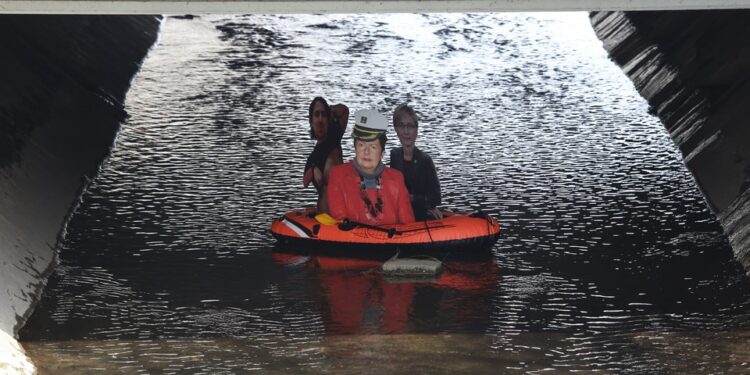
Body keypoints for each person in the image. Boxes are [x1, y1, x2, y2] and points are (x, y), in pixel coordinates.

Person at [327, 109, 415, 225]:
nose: (366, 152)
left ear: (382, 153)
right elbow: (340, 222)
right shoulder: (338, 175)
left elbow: (409, 225)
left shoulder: (397, 179)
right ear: (355, 148)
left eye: (373, 147)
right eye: (361, 145)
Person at [389, 104, 442, 221]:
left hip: (421, 214)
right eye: (401, 126)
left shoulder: (425, 160)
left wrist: (412, 198)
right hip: (400, 213)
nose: (406, 131)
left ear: (416, 130)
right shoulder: (394, 155)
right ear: (396, 129)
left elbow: (436, 198)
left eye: (410, 126)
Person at [303, 97, 349, 213]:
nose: (320, 119)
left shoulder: (335, 136)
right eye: (317, 115)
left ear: (328, 120)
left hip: (343, 215)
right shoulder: (313, 158)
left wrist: (329, 110)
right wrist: (313, 169)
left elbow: (344, 110)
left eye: (323, 115)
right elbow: (305, 182)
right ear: (311, 121)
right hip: (325, 218)